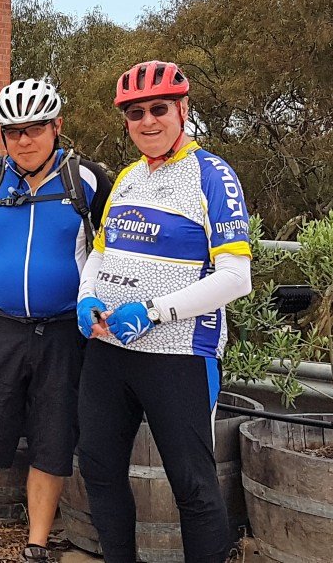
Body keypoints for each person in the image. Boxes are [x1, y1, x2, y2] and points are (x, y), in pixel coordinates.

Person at [75, 61, 253, 563]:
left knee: (192, 484)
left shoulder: (213, 175)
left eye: (159, 109)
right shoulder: (128, 177)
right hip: (109, 348)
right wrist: (86, 295)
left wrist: (155, 312)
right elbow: (101, 253)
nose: (148, 121)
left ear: (183, 109)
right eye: (136, 113)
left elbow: (236, 278)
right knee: (99, 469)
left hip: (179, 355)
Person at [0, 79, 111, 563]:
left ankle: (36, 545)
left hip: (64, 331)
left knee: (52, 441)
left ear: (57, 127)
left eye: (34, 129)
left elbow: (119, 248)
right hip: (3, 328)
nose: (24, 140)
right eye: (13, 132)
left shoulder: (86, 179)